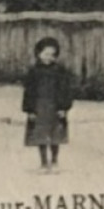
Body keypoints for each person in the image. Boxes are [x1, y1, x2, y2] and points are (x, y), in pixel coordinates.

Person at [21, 37, 76, 173]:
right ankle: (44, 162)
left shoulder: (60, 72)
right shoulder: (33, 72)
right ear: (38, 54)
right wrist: (30, 110)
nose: (49, 58)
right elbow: (29, 92)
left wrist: (64, 107)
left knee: (55, 135)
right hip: (39, 107)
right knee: (40, 135)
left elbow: (65, 90)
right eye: (45, 54)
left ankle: (55, 160)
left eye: (52, 55)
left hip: (55, 107)